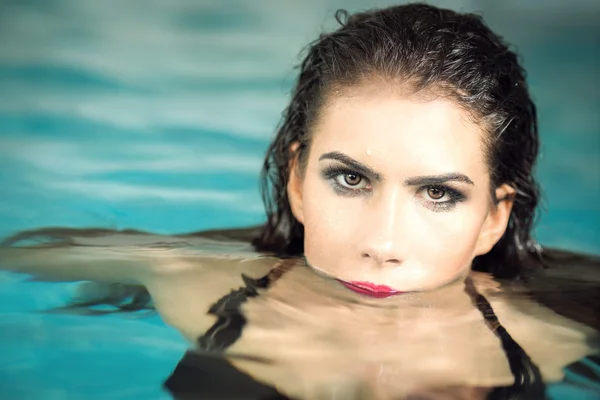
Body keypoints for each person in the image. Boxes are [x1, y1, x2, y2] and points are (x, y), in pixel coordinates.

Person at [1, 3, 599, 399]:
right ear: (296, 181)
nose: (381, 245)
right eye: (349, 180)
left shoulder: (562, 329)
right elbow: (28, 253)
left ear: (493, 219)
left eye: (438, 193)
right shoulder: (191, 277)